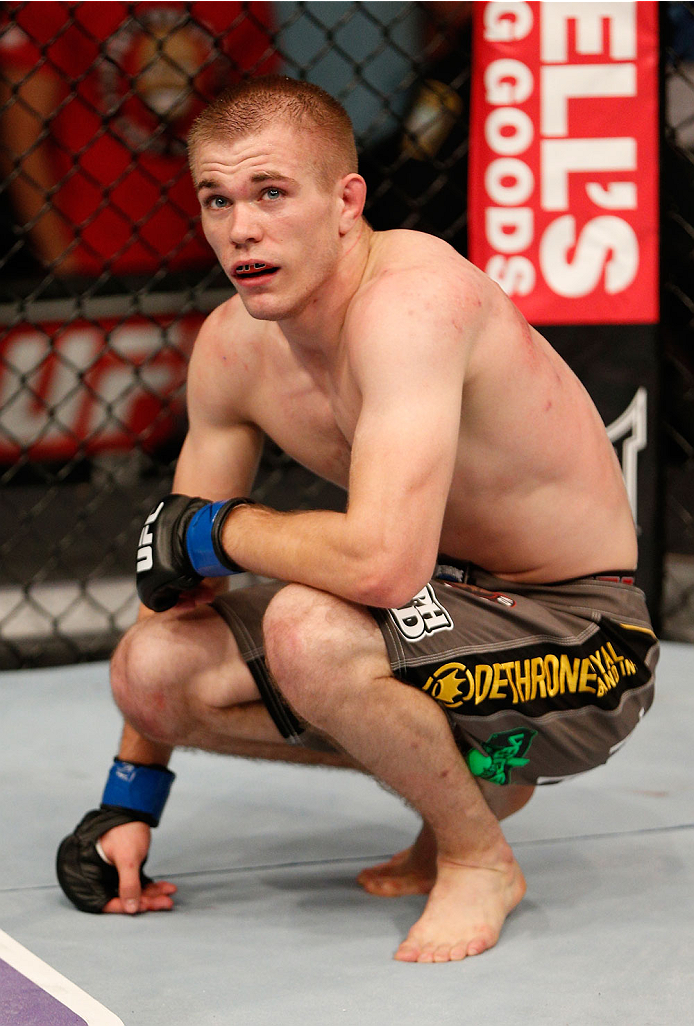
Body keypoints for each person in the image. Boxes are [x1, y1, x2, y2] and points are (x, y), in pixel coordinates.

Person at [56, 75, 658, 964]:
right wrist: (129, 798)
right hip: (445, 621)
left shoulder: (411, 305)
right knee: (152, 668)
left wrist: (218, 531)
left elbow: (377, 567)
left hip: (584, 641)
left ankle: (475, 854)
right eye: (216, 200)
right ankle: (472, 787)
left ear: (346, 201)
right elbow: (175, 577)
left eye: (270, 193)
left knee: (309, 625)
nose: (241, 228)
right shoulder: (230, 348)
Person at [0, 1, 276, 277]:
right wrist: (63, 262)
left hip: (216, 255)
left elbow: (258, 127)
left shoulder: (242, 7)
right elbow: (21, 139)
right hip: (94, 260)